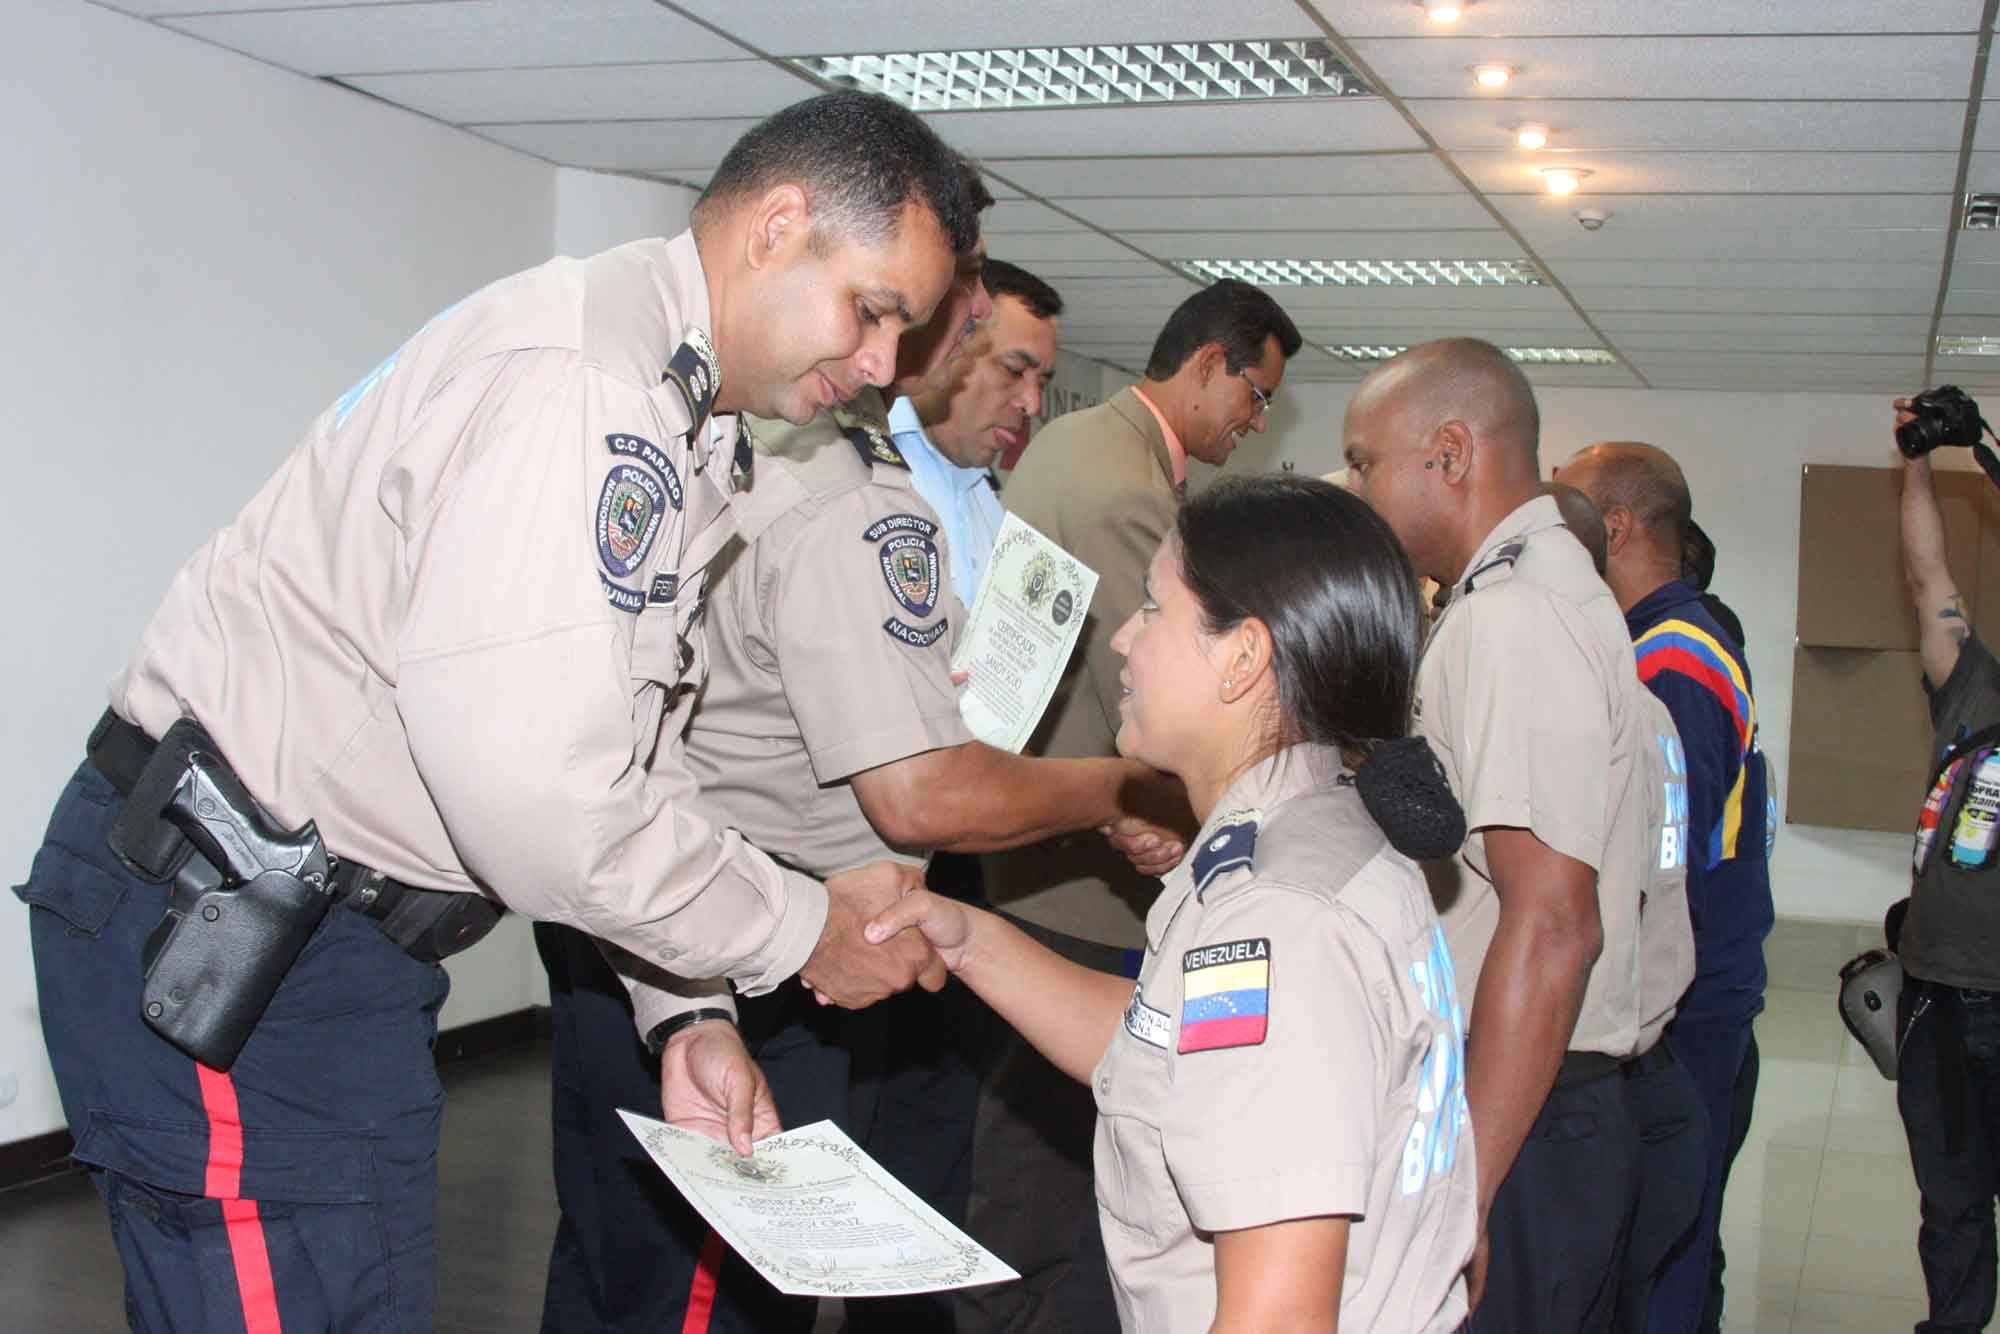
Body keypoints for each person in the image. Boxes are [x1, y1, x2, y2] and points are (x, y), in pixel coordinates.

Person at [12, 90, 984, 1332]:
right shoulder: (582, 386)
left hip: (316, 948)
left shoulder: (671, 410)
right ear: (778, 225)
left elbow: (629, 752)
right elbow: (537, 792)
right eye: (872, 310)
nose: (880, 366)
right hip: (230, 929)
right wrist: (796, 928)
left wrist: (683, 1006)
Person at [535, 268, 1189, 1334]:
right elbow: (920, 791)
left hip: (695, 907)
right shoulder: (845, 490)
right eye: (980, 338)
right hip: (735, 930)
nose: (996, 374)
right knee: (704, 1285)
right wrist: (1118, 787)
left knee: (632, 1263)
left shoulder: (815, 452)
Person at [870, 474, 1478, 1333]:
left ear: (1242, 657)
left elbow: (1277, 1319)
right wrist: (968, 937)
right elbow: (1168, 1048)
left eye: (1154, 610)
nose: (1123, 638)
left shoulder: (1282, 920)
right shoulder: (1308, 830)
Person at [965, 279, 1302, 1331]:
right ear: (1206, 362)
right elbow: (1157, 709)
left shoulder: (1075, 446)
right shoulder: (1123, 486)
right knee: (1050, 1170)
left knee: (1028, 1152)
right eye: (1252, 396)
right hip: (1088, 879)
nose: (1252, 424)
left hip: (1036, 851)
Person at [1342, 338, 1691, 1333]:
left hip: (1525, 1107)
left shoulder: (1516, 616)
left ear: (1448, 453)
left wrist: (1468, 1185)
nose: (1355, 486)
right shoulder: (1507, 597)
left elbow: (1551, 922)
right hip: (1528, 1090)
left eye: (1365, 460)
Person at [1558, 443, 1773, 1334]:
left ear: (1613, 526)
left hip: (1688, 1011)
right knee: (1684, 1238)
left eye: (1567, 513)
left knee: (1668, 1246)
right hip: (1702, 999)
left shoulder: (1669, 665)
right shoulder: (1670, 642)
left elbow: (1659, 866)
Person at [1892, 392, 2000, 1334]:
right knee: (1952, 1208)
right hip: (1940, 995)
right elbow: (1929, 574)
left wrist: (1990, 451)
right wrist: (1921, 459)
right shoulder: (1972, 685)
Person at [892, 258, 1064, 601]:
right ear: (952, 344)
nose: (1032, 404)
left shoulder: (989, 509)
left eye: (1041, 383)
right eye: (1013, 370)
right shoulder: (859, 461)